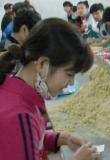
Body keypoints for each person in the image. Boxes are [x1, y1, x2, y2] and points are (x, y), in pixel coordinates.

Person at [0, 18, 99, 160]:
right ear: (42, 65)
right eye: (69, 74)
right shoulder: (18, 117)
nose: (71, 83)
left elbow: (27, 141)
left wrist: (60, 138)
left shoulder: (17, 89)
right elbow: (21, 133)